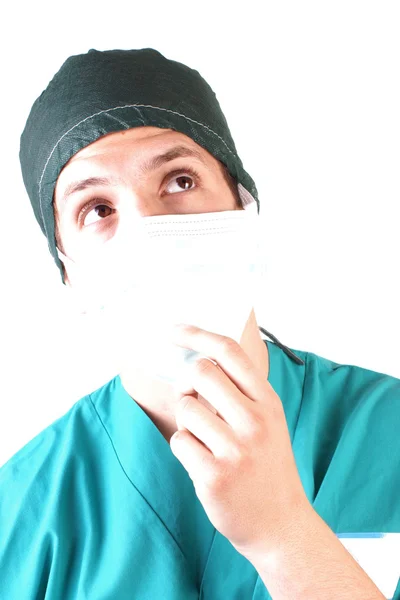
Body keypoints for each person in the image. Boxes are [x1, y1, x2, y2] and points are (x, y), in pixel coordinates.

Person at [0, 48, 399, 599]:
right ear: (67, 269)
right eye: (97, 209)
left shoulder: (387, 431)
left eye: (180, 180)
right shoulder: (20, 516)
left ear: (245, 207)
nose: (147, 231)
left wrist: (284, 534)